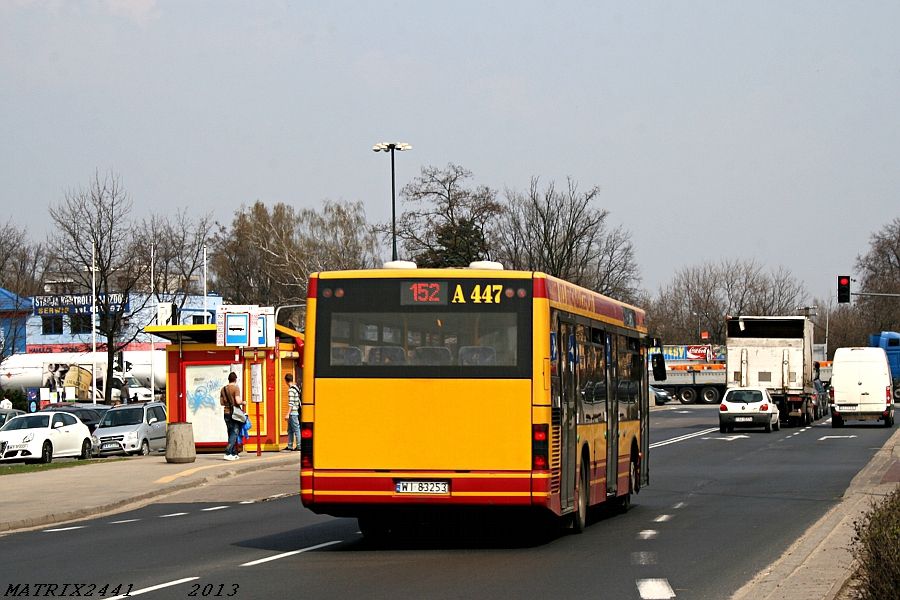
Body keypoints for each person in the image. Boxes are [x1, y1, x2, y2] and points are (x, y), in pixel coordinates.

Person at [219, 372, 245, 461]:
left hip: (226, 413)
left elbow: (221, 403)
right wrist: (243, 402)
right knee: (234, 433)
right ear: (235, 379)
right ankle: (227, 452)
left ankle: (234, 453)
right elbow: (238, 401)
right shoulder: (235, 388)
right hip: (234, 413)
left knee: (230, 433)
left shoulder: (223, 389)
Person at [284, 373, 301, 451]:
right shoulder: (296, 388)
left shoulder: (291, 390)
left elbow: (291, 402)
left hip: (293, 413)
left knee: (296, 429)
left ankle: (299, 446)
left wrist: (288, 413)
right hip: (295, 411)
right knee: (290, 429)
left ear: (286, 381)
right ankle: (290, 445)